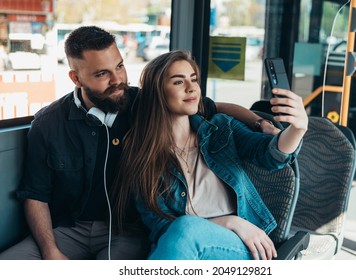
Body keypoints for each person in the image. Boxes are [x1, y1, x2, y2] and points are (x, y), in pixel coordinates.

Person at [0, 26, 276, 260]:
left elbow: (211, 107)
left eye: (119, 66)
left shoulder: (148, 103)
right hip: (69, 229)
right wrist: (51, 253)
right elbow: (35, 195)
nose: (117, 79)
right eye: (101, 74)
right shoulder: (48, 124)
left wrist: (259, 123)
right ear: (76, 77)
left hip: (128, 231)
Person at [111, 50, 308, 260]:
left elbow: (270, 155)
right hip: (186, 247)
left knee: (186, 229)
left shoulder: (221, 129)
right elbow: (160, 227)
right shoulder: (142, 154)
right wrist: (229, 222)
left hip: (241, 246)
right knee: (184, 229)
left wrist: (297, 129)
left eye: (193, 79)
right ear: (158, 93)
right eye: (178, 82)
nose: (191, 87)